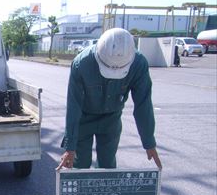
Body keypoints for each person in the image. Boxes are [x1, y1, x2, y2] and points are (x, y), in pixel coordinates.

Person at [57, 28, 162, 170]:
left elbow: (143, 105)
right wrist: (70, 147)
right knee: (79, 165)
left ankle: (104, 192)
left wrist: (149, 142)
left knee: (107, 166)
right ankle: (83, 191)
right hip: (83, 118)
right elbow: (73, 106)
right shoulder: (82, 64)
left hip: (112, 118)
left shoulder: (138, 64)